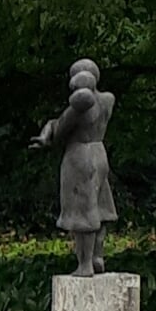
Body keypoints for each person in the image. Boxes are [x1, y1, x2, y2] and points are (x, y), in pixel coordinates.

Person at [30, 57, 117, 276]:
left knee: (83, 211)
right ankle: (98, 255)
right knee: (100, 207)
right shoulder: (108, 100)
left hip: (80, 156)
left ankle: (85, 264)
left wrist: (46, 134)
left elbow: (60, 129)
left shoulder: (80, 107)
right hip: (99, 153)